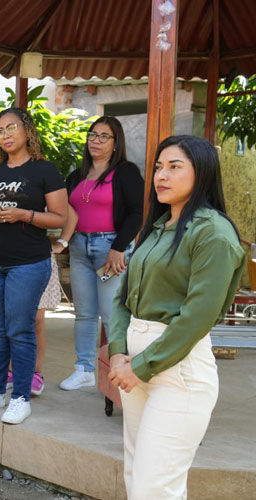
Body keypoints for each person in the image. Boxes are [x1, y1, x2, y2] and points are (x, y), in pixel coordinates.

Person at [108, 135, 245, 499]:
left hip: (178, 370)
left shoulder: (213, 233)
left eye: (174, 167)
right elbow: (124, 298)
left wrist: (141, 366)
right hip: (134, 363)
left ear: (202, 173)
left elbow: (197, 318)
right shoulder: (157, 227)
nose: (161, 176)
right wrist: (119, 353)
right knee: (138, 478)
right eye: (158, 167)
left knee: (154, 488)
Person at [0, 107, 67, 424]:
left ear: (27, 131)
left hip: (28, 262)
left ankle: (20, 397)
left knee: (20, 330)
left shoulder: (45, 170)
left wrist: (25, 215)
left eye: (11, 128)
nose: (5, 135)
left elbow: (60, 218)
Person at [59, 117, 144, 391]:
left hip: (111, 249)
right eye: (92, 135)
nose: (96, 140)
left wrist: (118, 248)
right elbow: (64, 210)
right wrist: (61, 240)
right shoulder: (77, 175)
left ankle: (121, 370)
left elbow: (137, 212)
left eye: (104, 136)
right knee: (83, 313)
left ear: (116, 143)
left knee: (111, 314)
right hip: (79, 248)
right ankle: (84, 369)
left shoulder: (125, 172)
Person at [7, 206, 78, 396]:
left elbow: (71, 215)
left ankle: (35, 373)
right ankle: (11, 370)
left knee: (36, 320)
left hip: (37, 258)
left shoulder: (44, 188)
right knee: (10, 319)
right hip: (5, 257)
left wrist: (62, 242)